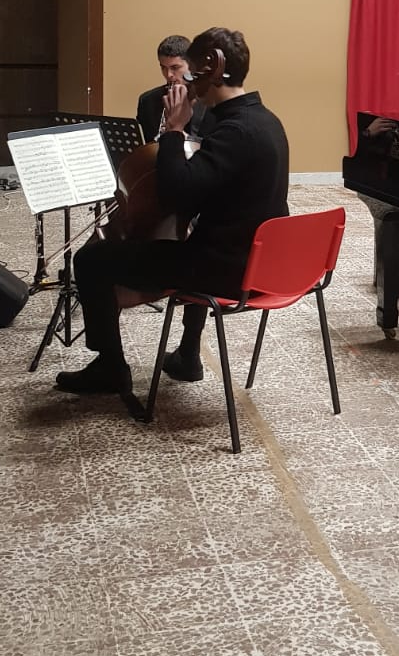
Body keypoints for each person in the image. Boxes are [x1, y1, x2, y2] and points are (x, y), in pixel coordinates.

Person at [57, 27, 289, 402]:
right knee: (155, 246)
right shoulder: (266, 120)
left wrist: (175, 129)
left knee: (91, 259)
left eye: (192, 72)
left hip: (227, 270)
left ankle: (110, 368)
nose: (187, 83)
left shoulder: (235, 132)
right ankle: (184, 355)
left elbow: (175, 195)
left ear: (212, 72)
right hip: (260, 261)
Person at [137, 34, 210, 143]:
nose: (169, 75)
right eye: (163, 67)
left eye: (175, 67)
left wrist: (185, 137)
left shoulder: (212, 100)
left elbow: (219, 145)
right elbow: (144, 144)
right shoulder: (147, 101)